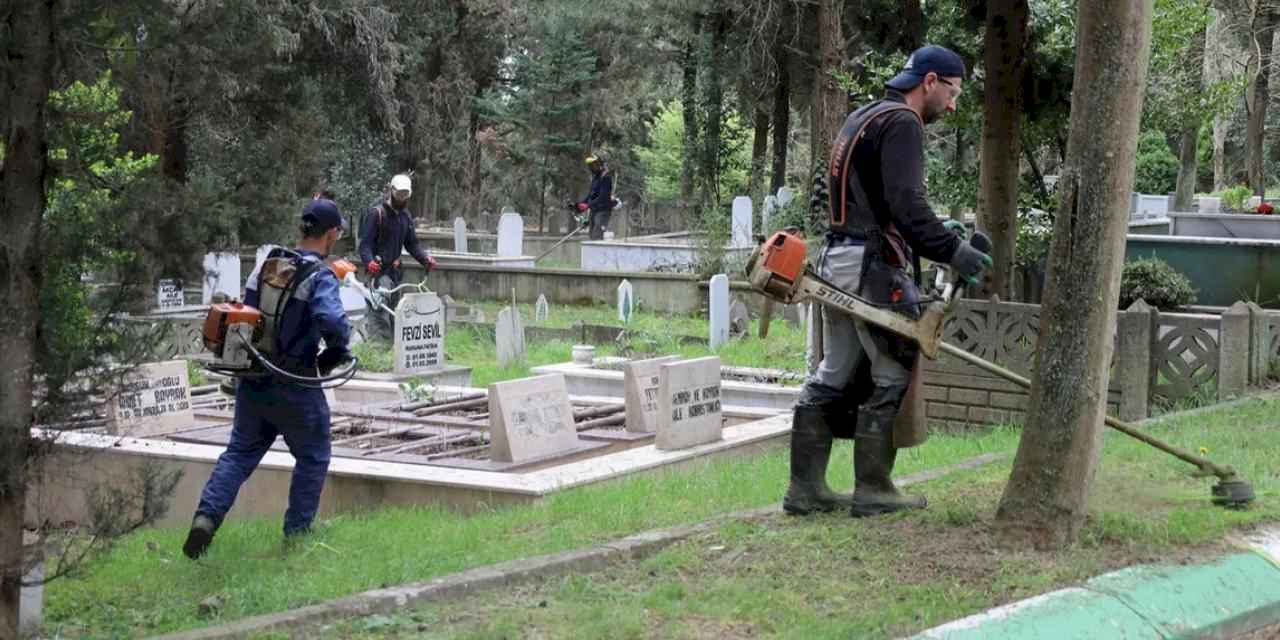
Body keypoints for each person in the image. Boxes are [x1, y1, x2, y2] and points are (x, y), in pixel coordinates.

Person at [784, 45, 991, 518]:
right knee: (895, 365)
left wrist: (937, 233)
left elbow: (873, 201)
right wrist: (955, 251)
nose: (953, 105)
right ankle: (874, 488)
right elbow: (906, 204)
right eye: (953, 93)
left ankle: (805, 489)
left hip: (837, 258)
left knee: (833, 372)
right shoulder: (903, 123)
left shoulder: (863, 117)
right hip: (872, 269)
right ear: (931, 81)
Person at [184, 199, 354, 558]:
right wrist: (335, 351)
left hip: (255, 378)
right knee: (313, 456)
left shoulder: (266, 266)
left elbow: (247, 316)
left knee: (239, 455)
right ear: (332, 234)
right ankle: (297, 534)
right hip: (296, 385)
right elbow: (335, 324)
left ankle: (205, 518)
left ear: (301, 230)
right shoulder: (319, 275)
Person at [358, 174, 437, 340]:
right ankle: (379, 352)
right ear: (391, 192)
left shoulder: (405, 217)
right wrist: (369, 261)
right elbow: (365, 245)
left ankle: (395, 353)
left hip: (395, 274)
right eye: (399, 196)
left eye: (405, 197)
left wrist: (425, 259)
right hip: (379, 275)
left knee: (396, 314)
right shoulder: (377, 214)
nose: (402, 200)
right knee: (379, 314)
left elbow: (412, 244)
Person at [576, 154, 616, 240]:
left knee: (597, 234)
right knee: (591, 235)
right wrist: (580, 205)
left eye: (593, 165)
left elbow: (603, 196)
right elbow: (591, 195)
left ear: (599, 164)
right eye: (590, 165)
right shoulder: (595, 178)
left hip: (603, 211)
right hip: (594, 210)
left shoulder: (606, 177)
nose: (591, 167)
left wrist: (588, 205)